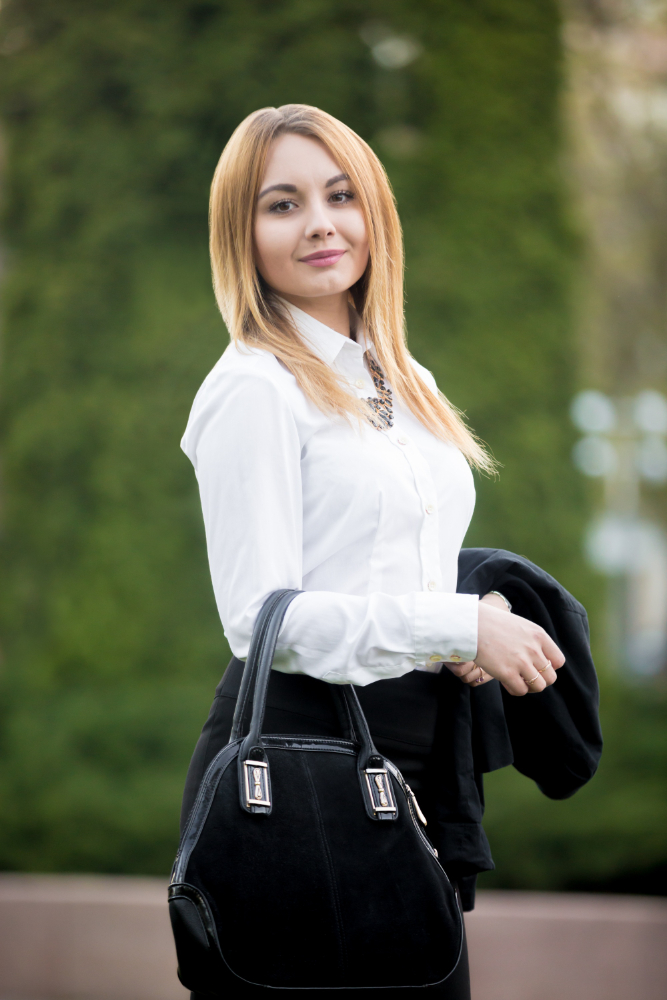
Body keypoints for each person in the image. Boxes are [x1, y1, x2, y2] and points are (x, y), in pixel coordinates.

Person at [180, 104, 567, 999]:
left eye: (339, 194)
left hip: (411, 765)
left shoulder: (404, 378)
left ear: (373, 212)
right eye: (282, 205)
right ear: (242, 234)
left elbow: (390, 560)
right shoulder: (252, 387)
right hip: (301, 761)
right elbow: (261, 621)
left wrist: (476, 614)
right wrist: (452, 624)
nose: (319, 223)